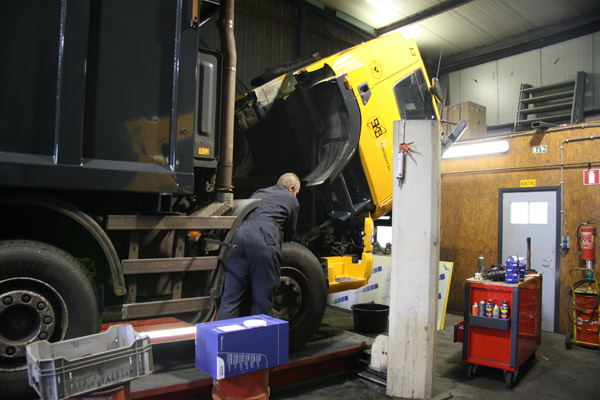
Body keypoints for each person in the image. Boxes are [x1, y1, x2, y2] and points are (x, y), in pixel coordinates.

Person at [216, 172, 300, 320]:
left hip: (238, 238)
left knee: (231, 297)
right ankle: (258, 333)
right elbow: (290, 232)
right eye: (296, 192)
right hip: (263, 238)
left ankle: (222, 333)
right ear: (292, 188)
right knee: (262, 298)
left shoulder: (259, 192)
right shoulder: (291, 199)